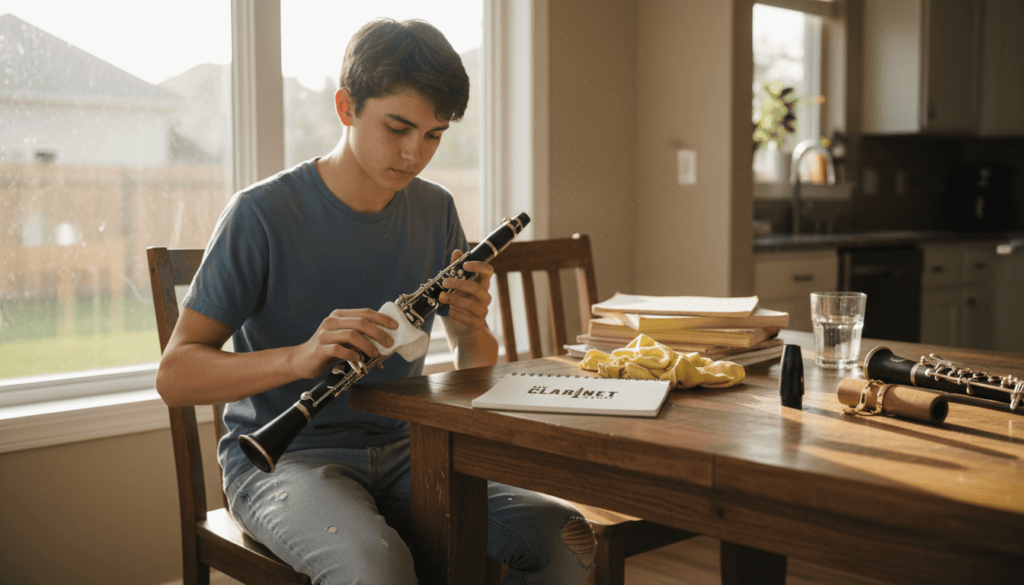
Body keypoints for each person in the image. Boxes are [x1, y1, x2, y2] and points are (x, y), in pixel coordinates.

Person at [156, 18, 595, 584]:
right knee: (376, 569)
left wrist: (473, 327)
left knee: (564, 537)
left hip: (415, 448)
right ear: (346, 107)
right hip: (282, 458)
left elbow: (474, 368)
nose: (415, 154)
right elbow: (175, 377)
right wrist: (301, 356)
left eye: (434, 135)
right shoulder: (260, 214)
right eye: (398, 127)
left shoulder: (436, 211)